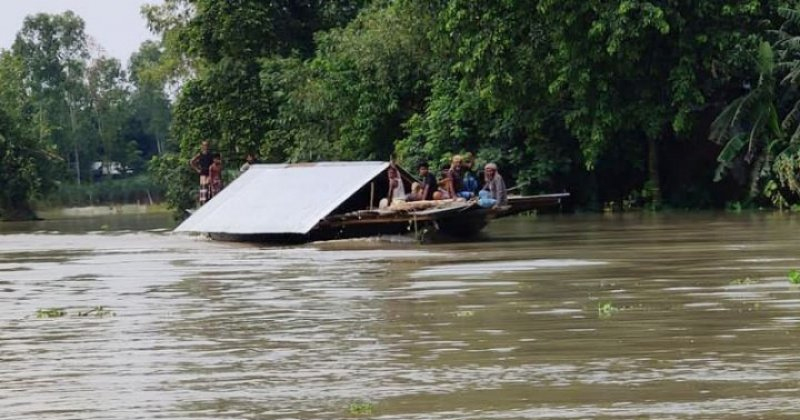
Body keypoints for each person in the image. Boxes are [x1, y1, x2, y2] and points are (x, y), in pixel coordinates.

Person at [190, 140, 215, 205]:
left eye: (207, 145)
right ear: (202, 146)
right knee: (203, 189)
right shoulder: (200, 154)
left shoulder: (211, 155)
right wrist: (197, 169)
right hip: (203, 173)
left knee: (210, 190)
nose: (205, 147)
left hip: (210, 173)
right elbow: (192, 162)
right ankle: (203, 204)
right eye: (204, 145)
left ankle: (210, 203)